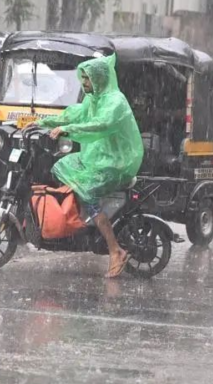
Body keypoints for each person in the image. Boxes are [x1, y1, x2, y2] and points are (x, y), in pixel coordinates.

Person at [37, 54, 143, 278]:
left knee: (87, 191)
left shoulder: (115, 101)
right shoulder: (92, 99)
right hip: (97, 159)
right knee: (60, 166)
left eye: (87, 79)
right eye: (83, 78)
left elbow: (101, 124)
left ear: (99, 78)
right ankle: (78, 218)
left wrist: (69, 130)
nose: (84, 83)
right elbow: (73, 113)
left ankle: (115, 250)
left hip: (116, 164)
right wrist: (41, 121)